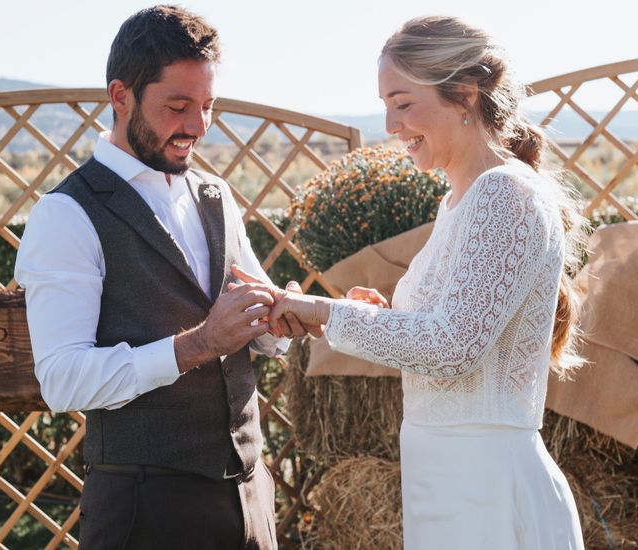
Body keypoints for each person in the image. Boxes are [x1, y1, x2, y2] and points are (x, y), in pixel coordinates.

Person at [251, 15, 586, 549]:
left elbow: (453, 348)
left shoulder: (504, 194)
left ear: (465, 96)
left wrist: (327, 314)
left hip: (488, 488)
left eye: (402, 103)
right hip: (446, 479)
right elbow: (448, 329)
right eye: (385, 105)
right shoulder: (458, 202)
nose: (390, 124)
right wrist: (379, 316)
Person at [15, 6, 304, 549]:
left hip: (250, 496)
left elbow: (257, 323)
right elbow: (62, 379)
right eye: (178, 106)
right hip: (145, 508)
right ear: (120, 96)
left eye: (208, 106)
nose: (197, 126)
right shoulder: (67, 215)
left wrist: (290, 314)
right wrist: (197, 344)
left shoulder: (216, 197)